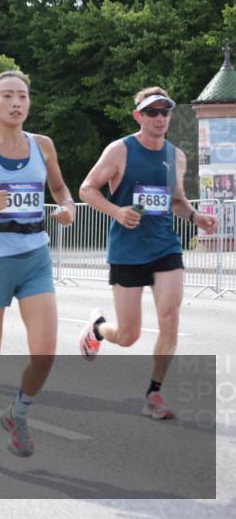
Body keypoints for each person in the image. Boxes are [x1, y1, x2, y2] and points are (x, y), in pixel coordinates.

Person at [0, 70, 75, 466]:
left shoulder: (43, 145)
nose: (16, 102)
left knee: (45, 353)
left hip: (35, 253)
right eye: (7, 96)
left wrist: (68, 206)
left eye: (23, 95)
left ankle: (17, 414)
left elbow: (58, 188)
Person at [78, 87, 217, 419]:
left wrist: (195, 217)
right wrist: (116, 211)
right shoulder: (120, 150)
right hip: (127, 251)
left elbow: (177, 200)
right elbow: (87, 189)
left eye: (165, 112)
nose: (159, 118)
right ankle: (97, 330)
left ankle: (154, 393)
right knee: (128, 336)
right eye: (152, 112)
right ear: (138, 116)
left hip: (165, 246)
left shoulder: (176, 155)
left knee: (169, 317)